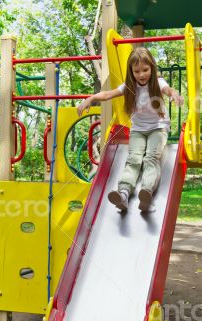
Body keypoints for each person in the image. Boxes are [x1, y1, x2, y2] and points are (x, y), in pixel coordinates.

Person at [77, 47, 183, 212]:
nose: (141, 75)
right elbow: (107, 95)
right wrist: (90, 99)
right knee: (133, 159)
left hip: (158, 129)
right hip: (138, 130)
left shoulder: (158, 82)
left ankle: (146, 193)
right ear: (131, 72)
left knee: (151, 158)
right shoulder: (129, 86)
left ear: (152, 68)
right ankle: (124, 194)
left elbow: (168, 90)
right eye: (137, 71)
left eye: (145, 70)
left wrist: (174, 94)